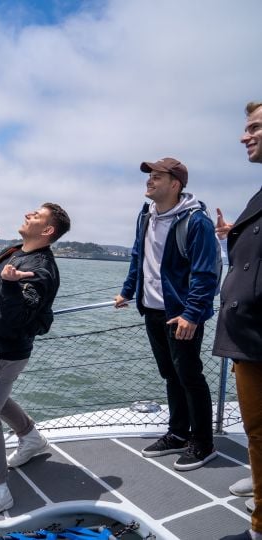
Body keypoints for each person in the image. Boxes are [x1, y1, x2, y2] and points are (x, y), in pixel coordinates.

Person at [0, 203, 71, 519]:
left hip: (2, 353)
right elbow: (1, 280)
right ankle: (31, 437)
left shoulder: (40, 269)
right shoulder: (17, 253)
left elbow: (16, 319)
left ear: (48, 230)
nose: (28, 215)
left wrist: (11, 286)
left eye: (36, 216)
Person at [115, 157, 220, 472]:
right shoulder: (146, 215)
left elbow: (205, 274)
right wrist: (128, 290)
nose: (149, 181)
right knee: (170, 375)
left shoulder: (196, 221)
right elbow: (139, 255)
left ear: (175, 184)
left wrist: (192, 314)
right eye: (150, 176)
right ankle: (177, 433)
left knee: (189, 376)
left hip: (182, 315)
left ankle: (202, 443)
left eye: (157, 176)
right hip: (153, 310)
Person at [214, 101, 262, 540]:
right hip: (248, 335)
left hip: (259, 336)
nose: (245, 136)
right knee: (255, 425)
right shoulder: (258, 196)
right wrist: (235, 237)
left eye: (254, 127)